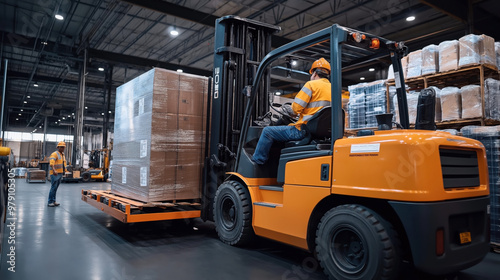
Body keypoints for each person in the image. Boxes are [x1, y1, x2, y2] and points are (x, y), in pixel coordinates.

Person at [252, 58, 332, 165]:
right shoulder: (334, 89)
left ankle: (257, 162)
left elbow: (296, 109)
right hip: (322, 134)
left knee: (267, 131)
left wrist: (288, 110)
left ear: (314, 73)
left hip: (303, 131)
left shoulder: (311, 85)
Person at [47, 141, 67, 207]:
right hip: (55, 173)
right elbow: (51, 163)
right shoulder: (54, 154)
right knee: (53, 187)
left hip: (60, 173)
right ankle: (50, 202)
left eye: (63, 147)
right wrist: (54, 170)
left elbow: (63, 164)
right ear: (58, 147)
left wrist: (65, 171)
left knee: (55, 188)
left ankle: (54, 201)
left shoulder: (62, 154)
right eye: (61, 147)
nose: (62, 148)